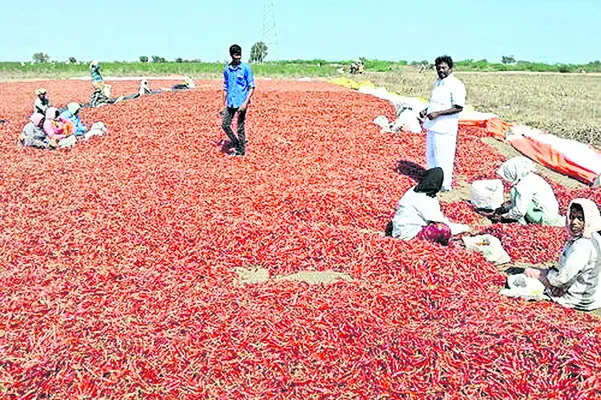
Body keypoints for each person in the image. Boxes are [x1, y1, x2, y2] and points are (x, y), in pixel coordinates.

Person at [521, 199, 601, 311]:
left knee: (529, 272)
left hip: (578, 298)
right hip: (594, 295)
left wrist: (554, 282)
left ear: (589, 220)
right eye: (572, 217)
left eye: (580, 219)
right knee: (544, 272)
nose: (574, 222)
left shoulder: (582, 245)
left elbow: (563, 278)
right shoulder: (595, 237)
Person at [419, 55, 466, 191]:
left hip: (445, 127)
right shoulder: (438, 83)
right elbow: (436, 103)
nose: (441, 70)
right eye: (438, 68)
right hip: (433, 125)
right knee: (431, 155)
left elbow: (458, 107)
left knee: (443, 156)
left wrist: (437, 114)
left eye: (444, 68)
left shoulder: (456, 85)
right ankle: (431, 180)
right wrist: (426, 110)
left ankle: (444, 184)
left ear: (450, 69)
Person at [390, 167, 470, 245]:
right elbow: (440, 221)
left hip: (399, 229)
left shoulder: (414, 190)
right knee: (443, 230)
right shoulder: (425, 199)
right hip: (409, 236)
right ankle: (449, 245)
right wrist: (464, 228)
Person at [489, 157, 564, 226]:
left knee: (515, 193)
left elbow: (520, 211)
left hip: (543, 218)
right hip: (549, 215)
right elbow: (521, 201)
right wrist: (506, 208)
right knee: (518, 197)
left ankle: (522, 223)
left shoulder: (524, 184)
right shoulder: (531, 178)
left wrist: (503, 217)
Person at [221, 44, 255, 156]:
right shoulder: (227, 69)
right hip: (230, 102)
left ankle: (241, 151)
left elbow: (251, 87)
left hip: (241, 102)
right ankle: (236, 142)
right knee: (225, 125)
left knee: (240, 127)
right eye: (236, 55)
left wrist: (245, 103)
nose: (238, 58)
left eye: (239, 55)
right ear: (231, 55)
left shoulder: (246, 68)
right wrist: (223, 105)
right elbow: (225, 87)